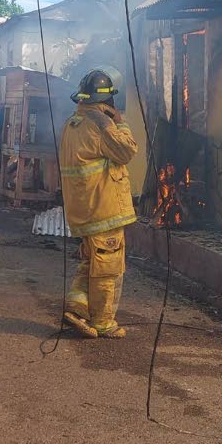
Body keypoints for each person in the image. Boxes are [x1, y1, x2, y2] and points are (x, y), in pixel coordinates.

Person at [59, 69, 138, 339]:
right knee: (108, 267)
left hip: (83, 209)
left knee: (92, 261)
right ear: (107, 101)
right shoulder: (101, 124)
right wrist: (122, 122)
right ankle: (104, 322)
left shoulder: (73, 122)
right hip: (103, 208)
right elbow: (127, 150)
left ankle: (77, 308)